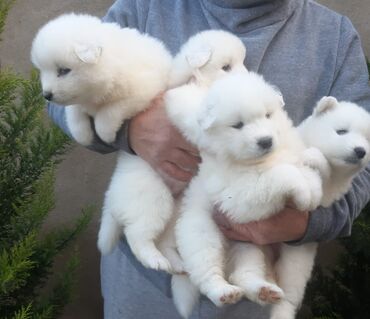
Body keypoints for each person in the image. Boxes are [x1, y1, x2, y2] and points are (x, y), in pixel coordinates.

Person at [48, 0, 370, 318]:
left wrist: (306, 224)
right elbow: (60, 95)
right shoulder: (143, 7)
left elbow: (364, 161)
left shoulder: (334, 36)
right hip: (143, 290)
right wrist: (132, 130)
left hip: (255, 295)